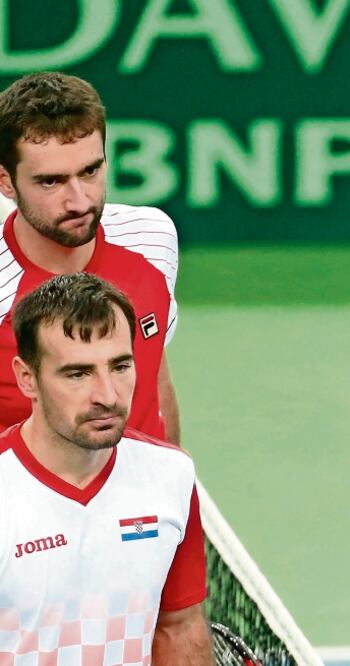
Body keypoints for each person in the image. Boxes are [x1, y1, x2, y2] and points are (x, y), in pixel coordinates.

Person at [0, 272, 209, 664]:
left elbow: (179, 627)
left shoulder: (171, 476)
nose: (107, 396)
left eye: (120, 366)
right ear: (27, 378)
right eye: (78, 373)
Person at [0, 71, 181, 442]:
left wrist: (173, 467)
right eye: (51, 181)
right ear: (6, 181)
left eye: (90, 171)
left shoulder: (151, 238)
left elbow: (153, 377)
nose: (79, 201)